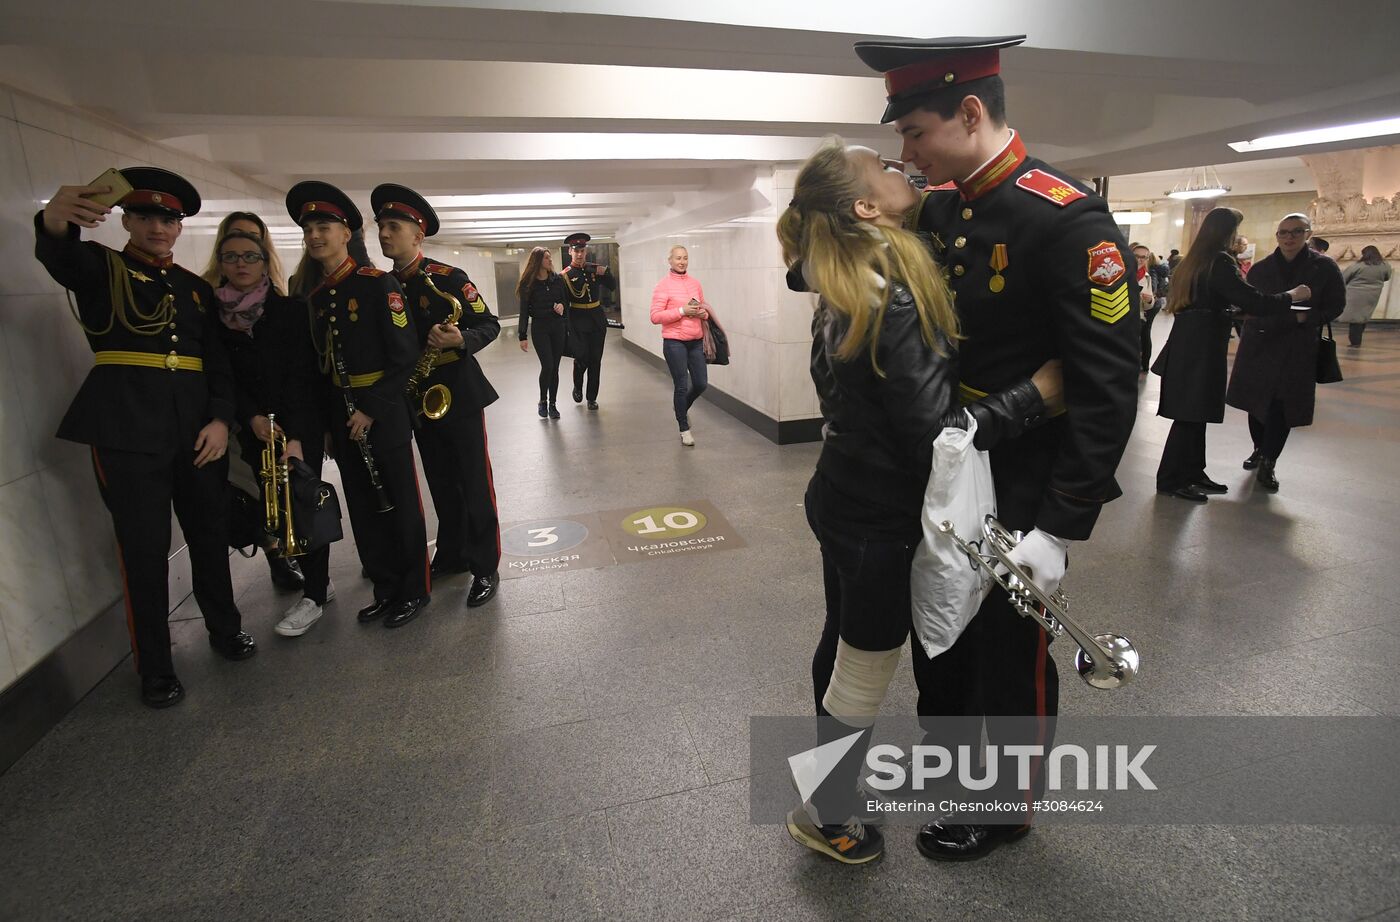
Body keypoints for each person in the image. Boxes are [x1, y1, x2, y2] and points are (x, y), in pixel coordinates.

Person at [853, 34, 1140, 861]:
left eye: (915, 133)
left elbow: (1107, 382)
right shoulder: (944, 205)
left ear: (969, 113)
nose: (904, 154)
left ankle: (1006, 804)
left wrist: (1061, 526)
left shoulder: (1063, 217)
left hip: (1022, 473)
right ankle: (953, 767)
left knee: (1007, 651)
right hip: (949, 461)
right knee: (944, 631)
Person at [780, 138, 1057, 865]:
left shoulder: (843, 268)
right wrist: (1035, 396)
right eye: (885, 169)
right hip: (879, 513)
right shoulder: (891, 291)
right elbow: (937, 434)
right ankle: (827, 814)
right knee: (863, 664)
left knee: (842, 642)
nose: (903, 168)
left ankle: (829, 797)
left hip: (841, 490)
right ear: (866, 207)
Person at [34, 167, 255, 708]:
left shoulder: (195, 290)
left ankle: (225, 631)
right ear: (127, 220)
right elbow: (59, 254)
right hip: (129, 433)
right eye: (147, 217)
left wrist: (222, 420)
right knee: (144, 551)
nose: (159, 227)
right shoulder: (100, 269)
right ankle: (156, 668)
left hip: (197, 435)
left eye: (169, 219)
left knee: (208, 536)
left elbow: (216, 365)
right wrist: (52, 221)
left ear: (180, 229)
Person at [286, 180, 431, 628]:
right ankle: (385, 588)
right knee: (364, 506)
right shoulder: (316, 295)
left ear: (346, 232)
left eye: (324, 226)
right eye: (309, 228)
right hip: (340, 416)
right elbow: (321, 367)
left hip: (381, 412)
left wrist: (370, 408)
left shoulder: (376, 284)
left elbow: (405, 355)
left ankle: (414, 590)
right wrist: (329, 424)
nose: (315, 235)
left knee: (400, 502)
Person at [372, 183, 502, 608]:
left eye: (394, 226)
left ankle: (485, 566)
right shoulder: (382, 285)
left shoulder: (448, 278)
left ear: (417, 235)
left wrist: (459, 338)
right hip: (418, 397)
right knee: (441, 483)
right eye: (381, 227)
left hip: (459, 393)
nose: (385, 234)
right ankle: (452, 554)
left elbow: (489, 324)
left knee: (474, 482)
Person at [212, 224, 336, 634]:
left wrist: (297, 435)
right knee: (273, 508)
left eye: (251, 256)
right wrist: (250, 417)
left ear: (266, 262)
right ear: (221, 262)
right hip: (252, 429)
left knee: (302, 503)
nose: (241, 264)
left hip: (298, 425)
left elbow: (304, 376)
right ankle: (313, 579)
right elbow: (224, 377)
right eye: (231, 256)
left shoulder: (289, 311)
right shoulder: (215, 316)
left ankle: (315, 595)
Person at [1151, 208, 1305, 502]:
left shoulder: (1194, 260)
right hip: (1201, 344)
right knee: (1189, 413)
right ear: (1226, 231)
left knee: (1196, 412)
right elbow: (1253, 300)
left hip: (1192, 340)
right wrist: (1291, 296)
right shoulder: (1219, 261)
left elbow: (1207, 300)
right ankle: (1172, 479)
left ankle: (1193, 472)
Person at [203, 211, 304, 592]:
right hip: (234, 418)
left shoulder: (283, 306)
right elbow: (217, 370)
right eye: (233, 248)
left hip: (282, 413)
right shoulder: (208, 308)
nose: (241, 260)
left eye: (251, 246)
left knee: (289, 487)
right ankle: (275, 554)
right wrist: (248, 414)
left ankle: (299, 558)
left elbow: (298, 371)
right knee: (250, 489)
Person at [1227, 213, 1345, 492]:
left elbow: (1336, 305)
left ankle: (1269, 460)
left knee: (1283, 403)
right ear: (1277, 236)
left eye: (1296, 232)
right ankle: (1259, 447)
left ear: (1307, 234)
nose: (1289, 237)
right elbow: (1251, 303)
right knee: (1256, 402)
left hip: (1297, 345)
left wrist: (1309, 318)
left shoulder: (1324, 267)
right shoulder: (1262, 268)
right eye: (1283, 233)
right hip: (1261, 341)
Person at [649, 245, 709, 446]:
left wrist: (703, 314)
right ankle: (684, 428)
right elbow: (655, 316)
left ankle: (681, 408)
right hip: (674, 342)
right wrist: (682, 311)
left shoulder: (695, 284)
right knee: (681, 385)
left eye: (685, 258)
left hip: (696, 340)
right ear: (670, 261)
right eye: (678, 258)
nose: (682, 262)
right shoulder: (662, 285)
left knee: (701, 383)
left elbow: (704, 308)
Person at [561, 232, 617, 409]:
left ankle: (592, 397)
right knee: (582, 358)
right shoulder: (565, 276)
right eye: (576, 251)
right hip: (578, 321)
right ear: (570, 251)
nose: (579, 254)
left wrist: (606, 273)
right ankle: (578, 386)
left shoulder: (594, 269)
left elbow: (612, 286)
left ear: (586, 251)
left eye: (582, 250)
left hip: (596, 320)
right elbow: (563, 301)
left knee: (595, 360)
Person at [516, 247, 570, 419]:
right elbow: (524, 312)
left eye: (550, 257)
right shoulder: (528, 284)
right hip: (540, 329)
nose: (550, 260)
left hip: (558, 327)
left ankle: (553, 404)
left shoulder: (558, 280)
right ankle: (542, 401)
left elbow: (565, 302)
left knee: (555, 368)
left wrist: (562, 306)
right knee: (547, 366)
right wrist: (522, 336)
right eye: (547, 258)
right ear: (538, 261)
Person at [201, 211, 287, 293]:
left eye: (253, 237)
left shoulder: (277, 295)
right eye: (236, 234)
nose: (245, 241)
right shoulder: (204, 288)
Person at [1340, 245, 1392, 346]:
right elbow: (1387, 277)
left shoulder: (1359, 266)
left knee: (1355, 318)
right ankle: (1357, 340)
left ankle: (1355, 341)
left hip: (1355, 295)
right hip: (1373, 295)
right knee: (1363, 317)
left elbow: (1343, 278)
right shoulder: (1384, 265)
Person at [1132, 243, 1158, 372]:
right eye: (1136, 256)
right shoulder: (1120, 273)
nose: (1139, 259)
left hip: (1137, 317)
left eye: (1143, 257)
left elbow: (1149, 305)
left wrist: (1149, 300)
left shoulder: (1146, 277)